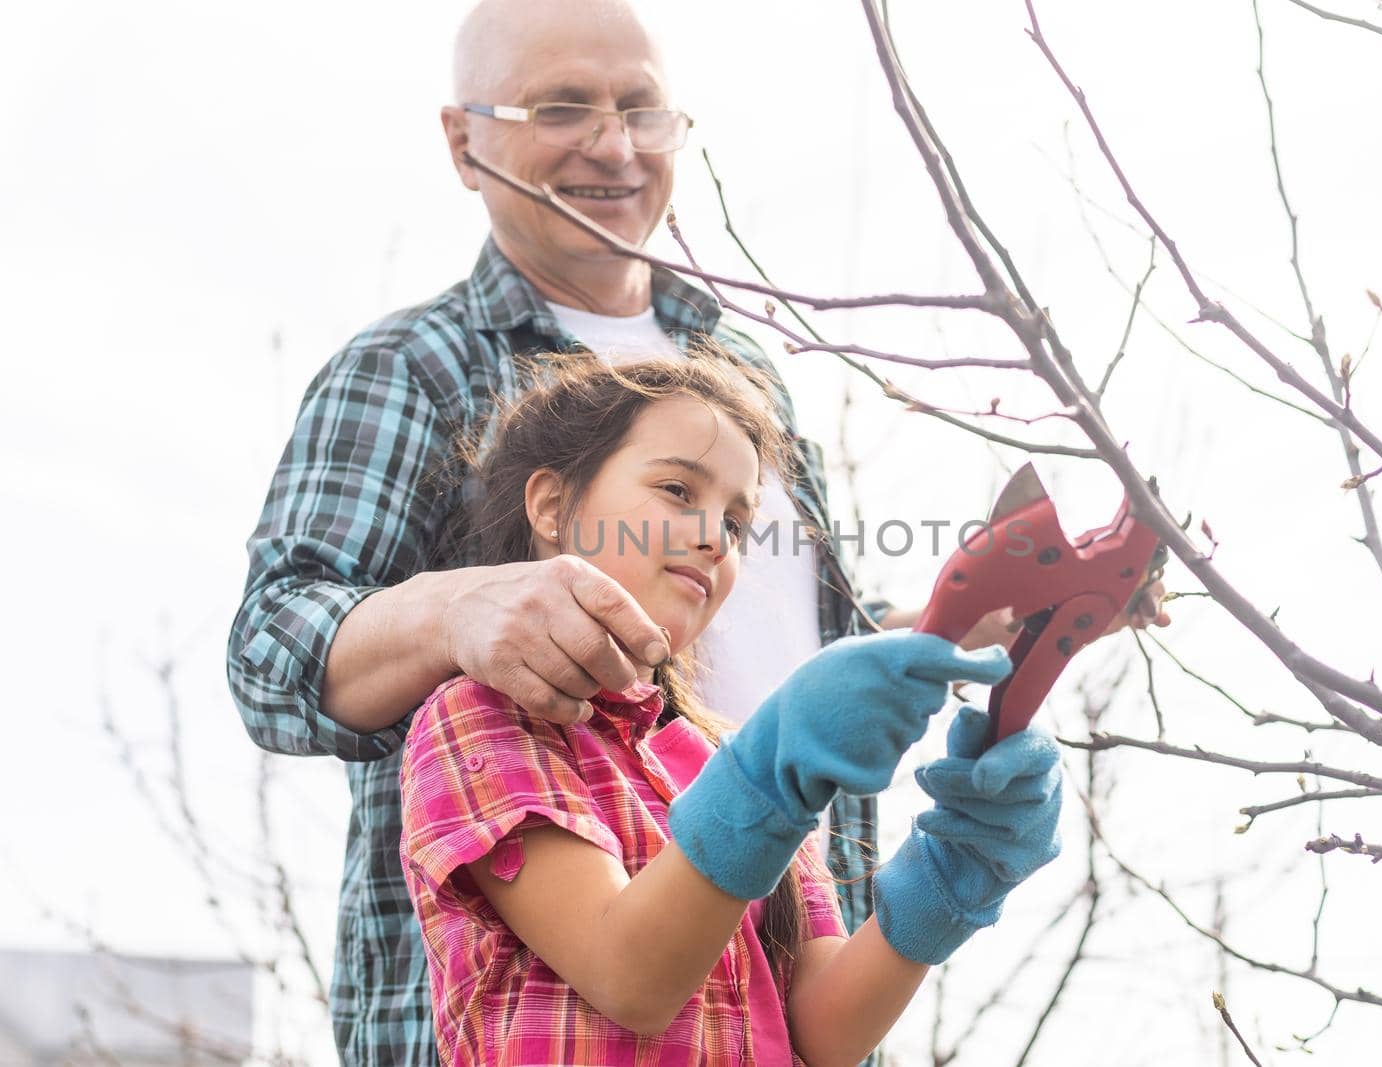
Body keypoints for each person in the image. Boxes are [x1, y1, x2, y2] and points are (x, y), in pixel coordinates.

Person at [226, 1, 1026, 1061]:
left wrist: (949, 631)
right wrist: (458, 608)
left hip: (772, 999)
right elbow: (271, 646)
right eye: (562, 107)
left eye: (642, 109)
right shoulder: (413, 368)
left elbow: (797, 645)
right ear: (463, 140)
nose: (612, 143)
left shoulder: (751, 384)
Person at [398, 349, 1067, 1066]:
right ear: (554, 507)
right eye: (678, 488)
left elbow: (824, 1031)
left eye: (738, 522)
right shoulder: (479, 718)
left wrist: (952, 872)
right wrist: (772, 774)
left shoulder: (730, 759)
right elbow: (630, 975)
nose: (714, 537)